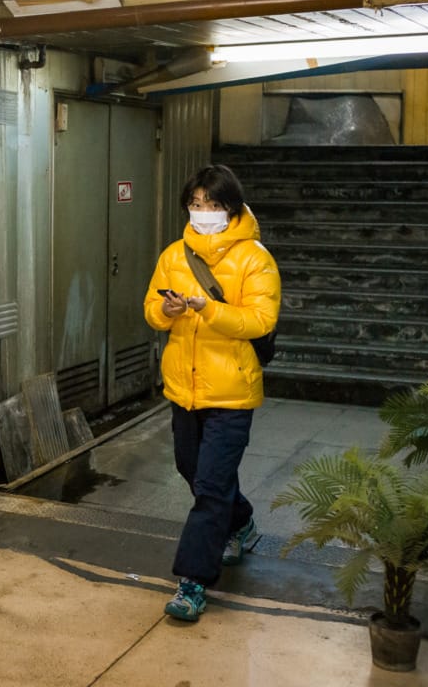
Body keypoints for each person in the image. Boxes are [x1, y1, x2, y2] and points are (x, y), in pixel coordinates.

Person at [143, 164, 281, 621]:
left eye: (213, 205)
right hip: (184, 389)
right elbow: (150, 311)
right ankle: (241, 522)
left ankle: (192, 582)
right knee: (193, 469)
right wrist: (166, 310)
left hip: (231, 393)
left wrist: (211, 309)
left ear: (233, 208)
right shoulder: (174, 255)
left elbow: (260, 321)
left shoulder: (254, 259)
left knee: (209, 486)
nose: (202, 213)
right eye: (196, 204)